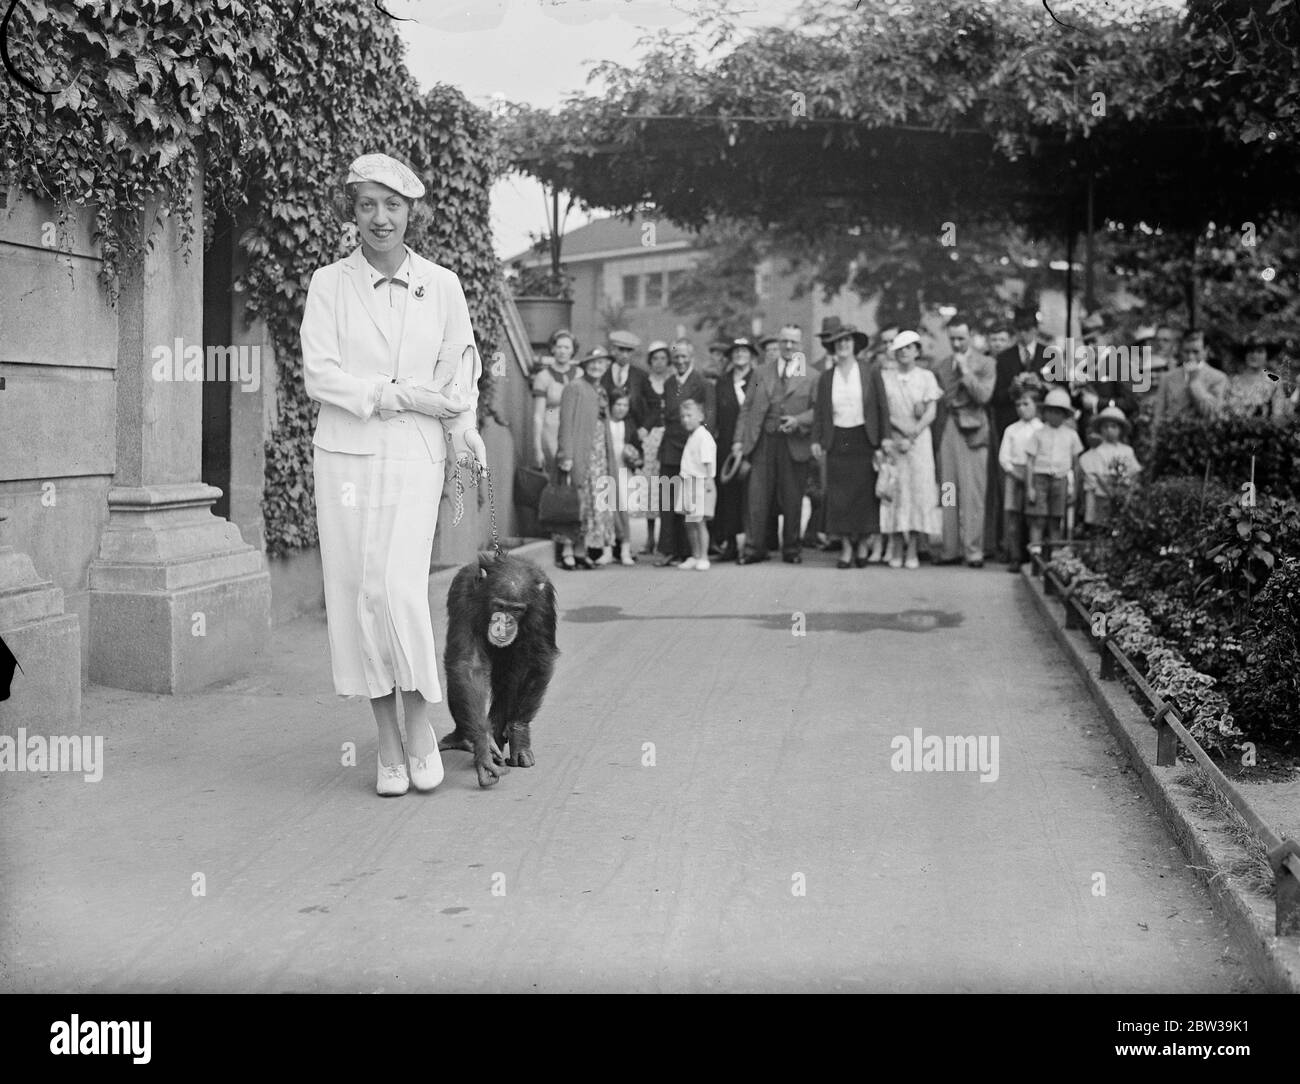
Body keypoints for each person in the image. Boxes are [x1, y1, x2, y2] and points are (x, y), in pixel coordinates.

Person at [302, 152, 486, 797]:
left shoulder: (444, 285)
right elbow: (319, 375)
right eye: (367, 205)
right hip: (347, 454)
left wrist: (466, 438)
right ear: (351, 212)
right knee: (359, 593)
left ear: (412, 212)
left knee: (399, 588)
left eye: (393, 205)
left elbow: (458, 374)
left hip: (415, 453)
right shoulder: (329, 283)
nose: (380, 218)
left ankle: (419, 727)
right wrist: (395, 393)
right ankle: (384, 741)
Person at [736, 325, 818, 564]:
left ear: (800, 345)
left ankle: (792, 549)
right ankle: (753, 549)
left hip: (794, 443)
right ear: (778, 343)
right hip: (763, 441)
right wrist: (738, 442)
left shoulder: (811, 376)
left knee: (793, 498)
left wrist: (798, 420)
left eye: (793, 342)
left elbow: (819, 411)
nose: (789, 346)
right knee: (757, 497)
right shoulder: (761, 373)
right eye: (784, 341)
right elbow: (748, 407)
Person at [811, 323, 890, 568]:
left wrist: (884, 438)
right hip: (838, 439)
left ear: (855, 344)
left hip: (864, 438)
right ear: (833, 347)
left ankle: (864, 543)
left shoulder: (870, 371)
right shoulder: (826, 377)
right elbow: (820, 412)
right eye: (838, 342)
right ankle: (846, 546)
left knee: (865, 496)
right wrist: (816, 439)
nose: (843, 345)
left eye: (847, 341)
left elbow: (882, 407)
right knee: (840, 497)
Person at [933, 314, 996, 567]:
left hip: (974, 430)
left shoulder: (986, 363)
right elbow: (943, 398)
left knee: (973, 492)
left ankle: (973, 550)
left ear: (970, 337)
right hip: (949, 428)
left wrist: (967, 372)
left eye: (961, 338)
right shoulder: (942, 366)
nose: (957, 344)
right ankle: (950, 548)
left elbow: (983, 396)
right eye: (952, 339)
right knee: (948, 489)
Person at [878, 331, 942, 569]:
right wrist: (900, 431)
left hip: (918, 441)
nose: (904, 352)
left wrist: (913, 433)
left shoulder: (926, 377)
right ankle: (895, 546)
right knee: (896, 490)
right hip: (895, 439)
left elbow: (931, 412)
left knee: (917, 491)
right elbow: (884, 410)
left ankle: (913, 547)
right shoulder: (885, 377)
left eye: (909, 348)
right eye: (900, 348)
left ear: (917, 351)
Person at [557, 347, 617, 570]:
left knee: (590, 504)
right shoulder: (574, 388)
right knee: (575, 502)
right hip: (580, 454)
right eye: (592, 362)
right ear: (584, 365)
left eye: (601, 363)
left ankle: (581, 551)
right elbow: (565, 423)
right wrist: (566, 455)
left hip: (598, 456)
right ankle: (567, 551)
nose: (597, 366)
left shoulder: (601, 390)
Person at [656, 340, 714, 565]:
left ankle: (691, 552)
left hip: (692, 448)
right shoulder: (670, 383)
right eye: (676, 357)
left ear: (692, 357)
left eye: (684, 357)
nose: (680, 361)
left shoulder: (702, 383)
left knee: (692, 504)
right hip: (671, 447)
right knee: (668, 498)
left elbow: (709, 418)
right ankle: (668, 549)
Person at [532, 329, 578, 567]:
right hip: (551, 432)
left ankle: (574, 545)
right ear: (552, 348)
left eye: (567, 347)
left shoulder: (579, 373)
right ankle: (562, 545)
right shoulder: (544, 376)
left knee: (575, 486)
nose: (562, 351)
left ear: (573, 350)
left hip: (574, 434)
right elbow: (538, 416)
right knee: (558, 487)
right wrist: (537, 446)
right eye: (559, 346)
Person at [713, 337, 759, 561]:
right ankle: (730, 543)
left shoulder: (757, 379)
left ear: (751, 355)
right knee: (728, 496)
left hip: (752, 445)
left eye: (745, 351)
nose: (740, 354)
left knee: (750, 495)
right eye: (736, 351)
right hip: (726, 447)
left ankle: (751, 544)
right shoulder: (722, 382)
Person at [1025, 388, 1083, 556]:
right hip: (1040, 478)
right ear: (1045, 412)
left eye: (1059, 412)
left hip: (1060, 478)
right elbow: (1030, 462)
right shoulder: (1038, 434)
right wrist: (1030, 487)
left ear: (1065, 415)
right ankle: (1035, 554)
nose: (1054, 416)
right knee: (1038, 518)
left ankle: (1054, 554)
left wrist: (1074, 490)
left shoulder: (1071, 435)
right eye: (1051, 411)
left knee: (1056, 519)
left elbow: (1076, 465)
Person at [1078, 404, 1141, 533]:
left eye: (1113, 426)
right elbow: (1099, 476)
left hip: (1124, 495)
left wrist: (1129, 491)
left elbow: (1135, 472)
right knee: (1103, 527)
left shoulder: (1127, 451)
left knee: (1123, 526)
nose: (1109, 430)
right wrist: (1112, 493)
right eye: (1105, 427)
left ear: (1121, 430)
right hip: (1104, 496)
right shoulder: (1098, 452)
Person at [998, 390, 1043, 570]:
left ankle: (1033, 557)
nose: (1022, 409)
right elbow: (1004, 457)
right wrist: (1013, 471)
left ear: (1036, 406)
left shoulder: (1041, 429)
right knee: (1013, 517)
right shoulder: (1011, 429)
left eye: (1026, 404)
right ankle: (1015, 556)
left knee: (1033, 517)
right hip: (1014, 474)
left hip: (1036, 474)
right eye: (1018, 405)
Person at [1152, 331, 1228, 429]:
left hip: (1204, 438)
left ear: (1206, 350)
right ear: (1181, 351)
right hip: (1172, 438)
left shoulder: (1219, 378)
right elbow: (1158, 416)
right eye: (1186, 351)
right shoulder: (1167, 377)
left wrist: (1194, 382)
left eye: (1196, 352)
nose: (1190, 357)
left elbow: (1212, 413)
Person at [639, 341, 673, 555]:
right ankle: (650, 537)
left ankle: (665, 537)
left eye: (663, 358)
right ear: (650, 361)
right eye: (655, 358)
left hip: (669, 435)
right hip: (651, 437)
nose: (659, 362)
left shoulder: (672, 381)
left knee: (667, 485)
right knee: (650, 486)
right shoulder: (645, 382)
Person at [677, 399, 718, 570]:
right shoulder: (692, 436)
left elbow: (707, 461)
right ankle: (694, 555)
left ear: (700, 416)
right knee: (689, 521)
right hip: (688, 481)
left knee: (699, 522)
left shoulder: (703, 436)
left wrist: (708, 481)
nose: (685, 420)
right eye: (683, 416)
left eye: (689, 415)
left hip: (700, 482)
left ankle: (704, 556)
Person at [606, 387, 643, 564]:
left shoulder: (629, 424)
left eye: (625, 405)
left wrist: (635, 456)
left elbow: (637, 447)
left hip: (624, 470)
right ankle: (608, 548)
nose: (621, 408)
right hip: (607, 470)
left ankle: (625, 550)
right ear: (611, 405)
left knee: (624, 511)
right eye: (618, 404)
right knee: (608, 510)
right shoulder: (605, 423)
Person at [1225, 334, 1292, 419]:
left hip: (1264, 429)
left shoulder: (1274, 381)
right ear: (1245, 354)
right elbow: (1225, 411)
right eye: (1251, 351)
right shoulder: (1232, 381)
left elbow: (1278, 414)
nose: (1254, 355)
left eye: (1259, 351)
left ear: (1267, 355)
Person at [603, 329, 651, 429]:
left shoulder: (641, 376)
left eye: (629, 351)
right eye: (621, 349)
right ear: (613, 349)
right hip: (606, 428)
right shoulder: (603, 373)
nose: (625, 355)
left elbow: (655, 404)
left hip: (633, 431)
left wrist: (645, 427)